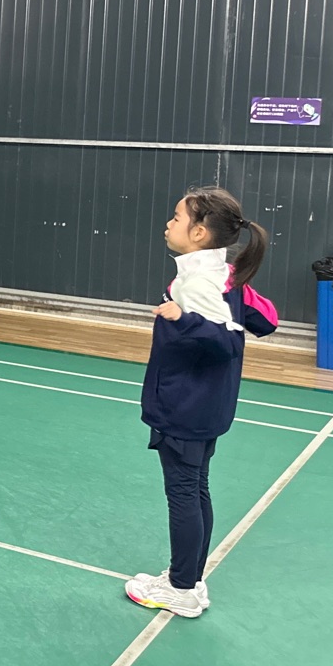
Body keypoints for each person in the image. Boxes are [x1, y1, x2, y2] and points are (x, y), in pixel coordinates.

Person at [125, 187, 277, 618]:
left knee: (183, 493)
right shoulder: (222, 273)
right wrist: (233, 291)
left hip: (186, 407)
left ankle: (181, 588)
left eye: (176, 217)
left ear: (199, 232)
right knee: (196, 487)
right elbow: (266, 320)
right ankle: (189, 577)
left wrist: (182, 317)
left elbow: (228, 343)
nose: (168, 224)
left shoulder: (199, 281)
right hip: (207, 404)